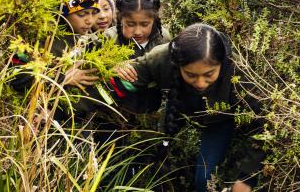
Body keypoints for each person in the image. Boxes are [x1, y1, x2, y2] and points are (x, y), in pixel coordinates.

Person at [112, 23, 265, 192]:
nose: (200, 83)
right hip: (177, 110)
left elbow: (264, 125)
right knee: (158, 167)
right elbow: (121, 79)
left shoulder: (239, 73)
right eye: (190, 75)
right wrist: (115, 70)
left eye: (209, 74)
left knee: (204, 181)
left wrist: (246, 178)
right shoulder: (162, 58)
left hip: (218, 121)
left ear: (221, 64)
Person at [11, 0, 102, 119]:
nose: (90, 20)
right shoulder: (41, 37)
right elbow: (15, 76)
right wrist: (62, 79)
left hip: (78, 124)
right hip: (42, 123)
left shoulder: (86, 37)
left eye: (94, 13)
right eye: (82, 14)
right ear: (62, 10)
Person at [105, 0, 171, 58]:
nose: (137, 32)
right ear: (120, 18)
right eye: (130, 24)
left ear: (154, 20)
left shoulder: (163, 38)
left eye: (144, 24)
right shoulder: (109, 39)